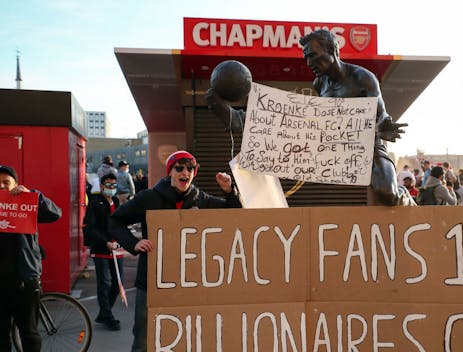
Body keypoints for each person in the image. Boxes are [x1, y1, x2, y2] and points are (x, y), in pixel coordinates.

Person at [206, 29, 409, 206]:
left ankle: (407, 198)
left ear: (333, 51)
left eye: (314, 56)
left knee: (388, 193)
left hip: (370, 146)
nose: (309, 63)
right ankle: (239, 120)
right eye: (307, 58)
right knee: (287, 122)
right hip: (340, 147)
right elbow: (322, 118)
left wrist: (383, 125)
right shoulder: (320, 83)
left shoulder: (362, 77)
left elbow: (381, 116)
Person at [109, 151, 242, 352]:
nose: (185, 172)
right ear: (170, 171)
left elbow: (235, 215)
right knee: (144, 338)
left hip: (189, 283)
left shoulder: (200, 198)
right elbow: (115, 221)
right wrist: (133, 243)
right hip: (151, 282)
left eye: (190, 168)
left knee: (187, 338)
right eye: (179, 168)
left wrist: (229, 191)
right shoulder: (149, 198)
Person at [0, 165, 62, 351]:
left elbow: (55, 213)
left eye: (6, 182)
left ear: (15, 185)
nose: (2, 187)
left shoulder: (26, 203)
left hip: (25, 280)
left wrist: (33, 194)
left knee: (29, 333)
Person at [83, 173, 124, 331]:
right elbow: (91, 228)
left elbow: (120, 222)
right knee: (104, 283)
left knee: (117, 283)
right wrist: (105, 242)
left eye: (114, 185)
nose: (111, 188)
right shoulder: (94, 203)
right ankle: (108, 316)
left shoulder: (116, 201)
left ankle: (104, 313)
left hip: (116, 248)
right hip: (101, 248)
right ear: (101, 186)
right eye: (108, 185)